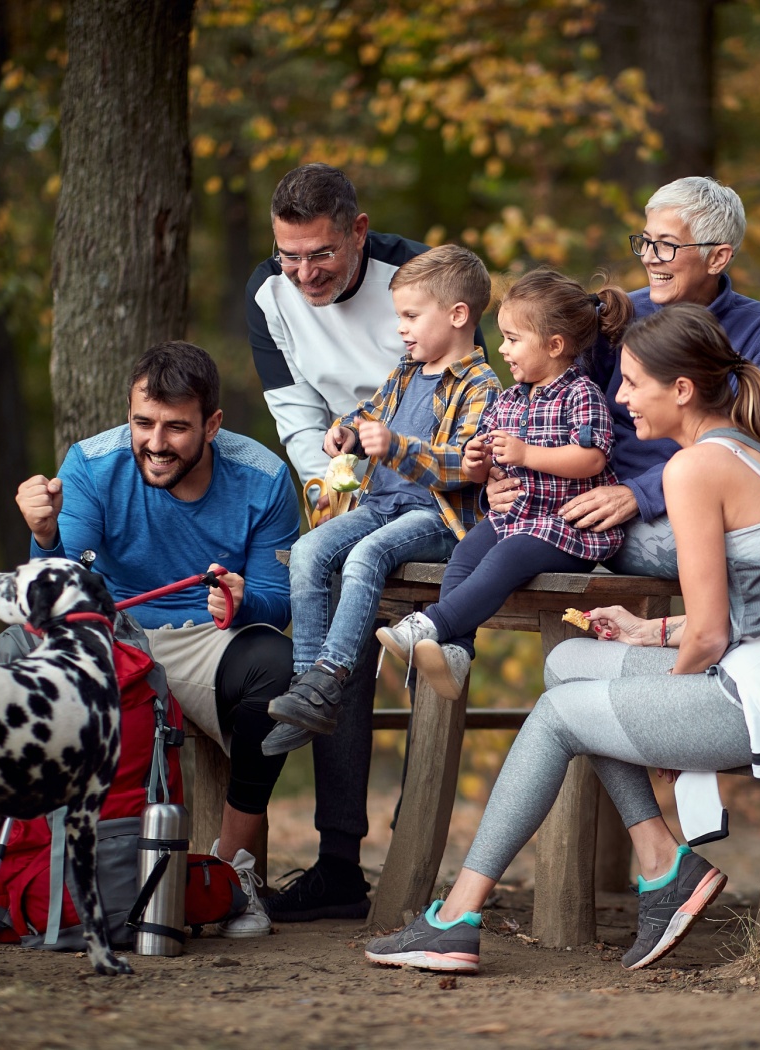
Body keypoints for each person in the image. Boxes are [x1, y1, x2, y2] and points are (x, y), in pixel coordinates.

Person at [364, 305, 760, 974]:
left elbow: (710, 635)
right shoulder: (755, 453)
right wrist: (651, 631)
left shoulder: (695, 470)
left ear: (680, 390)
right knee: (569, 662)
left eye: (631, 383)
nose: (620, 400)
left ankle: (456, 915)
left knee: (564, 712)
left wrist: (661, 725)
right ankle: (661, 863)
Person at [486, 176, 760, 739]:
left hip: (724, 500)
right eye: (644, 242)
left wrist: (641, 490)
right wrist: (504, 474)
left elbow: (741, 444)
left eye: (667, 245)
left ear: (719, 255)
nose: (650, 258)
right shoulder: (615, 318)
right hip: (628, 517)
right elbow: (546, 405)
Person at [15, 341, 301, 939]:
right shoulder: (91, 465)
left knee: (278, 669)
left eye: (176, 428)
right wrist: (44, 536)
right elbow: (60, 596)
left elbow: (279, 605)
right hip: (117, 635)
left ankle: (234, 871)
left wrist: (246, 597)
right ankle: (42, 866)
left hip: (210, 637)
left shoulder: (266, 475)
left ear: (213, 424)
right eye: (143, 422)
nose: (155, 441)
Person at [244, 162, 446, 921]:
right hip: (350, 482)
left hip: (435, 492)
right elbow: (295, 413)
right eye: (288, 256)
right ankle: (337, 863)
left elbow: (465, 393)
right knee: (327, 604)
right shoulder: (269, 295)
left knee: (435, 649)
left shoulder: (420, 276)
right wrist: (338, 487)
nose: (302, 273)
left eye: (319, 255)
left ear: (358, 232)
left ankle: (416, 862)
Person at [265, 245, 500, 737]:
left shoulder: (481, 387)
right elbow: (368, 413)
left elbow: (465, 468)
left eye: (412, 316)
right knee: (308, 550)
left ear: (458, 315)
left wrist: (394, 447)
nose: (402, 328)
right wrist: (346, 432)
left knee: (364, 557)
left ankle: (330, 675)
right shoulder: (405, 371)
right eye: (400, 316)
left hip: (436, 519)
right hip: (382, 506)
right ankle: (306, 680)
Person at [374, 270, 633, 700]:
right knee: (466, 553)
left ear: (555, 345)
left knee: (506, 556)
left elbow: (593, 458)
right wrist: (480, 462)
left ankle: (430, 625)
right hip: (515, 516)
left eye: (513, 339)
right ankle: (456, 651)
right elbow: (489, 458)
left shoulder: (581, 395)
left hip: (565, 526)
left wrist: (527, 455)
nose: (502, 349)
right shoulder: (509, 399)